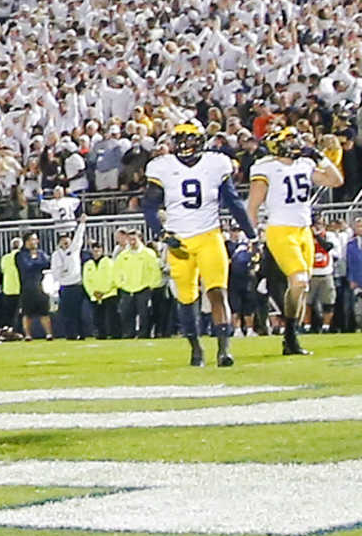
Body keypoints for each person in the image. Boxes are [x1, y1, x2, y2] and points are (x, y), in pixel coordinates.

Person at [144, 123, 257, 367]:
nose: (184, 146)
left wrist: (251, 234)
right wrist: (162, 234)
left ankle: (224, 350)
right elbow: (150, 206)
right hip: (179, 241)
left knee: (217, 291)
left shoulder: (216, 163)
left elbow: (233, 203)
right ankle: (196, 349)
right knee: (186, 299)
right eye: (180, 141)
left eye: (189, 140)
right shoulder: (162, 166)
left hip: (209, 236)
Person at [246, 127, 344, 356]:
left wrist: (319, 156)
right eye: (289, 140)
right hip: (280, 230)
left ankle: (291, 335)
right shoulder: (265, 167)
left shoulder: (304, 164)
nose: (295, 143)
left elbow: (336, 180)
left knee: (302, 287)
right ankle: (290, 335)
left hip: (303, 230)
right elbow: (252, 206)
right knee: (298, 282)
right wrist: (254, 236)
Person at [14, 233, 53, 339]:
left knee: (44, 312)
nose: (34, 242)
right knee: (27, 313)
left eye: (35, 240)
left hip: (40, 286)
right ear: (26, 242)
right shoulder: (20, 255)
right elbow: (27, 266)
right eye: (31, 240)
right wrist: (37, 262)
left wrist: (36, 262)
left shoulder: (41, 253)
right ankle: (27, 335)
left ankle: (49, 334)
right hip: (27, 287)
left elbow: (47, 263)